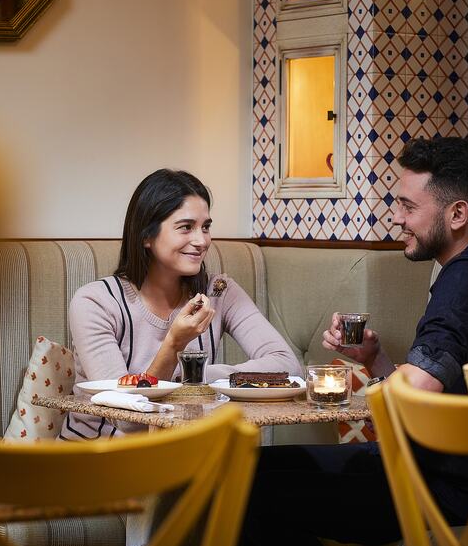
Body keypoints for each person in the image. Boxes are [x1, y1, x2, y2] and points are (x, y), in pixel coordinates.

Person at [235, 137, 468, 546]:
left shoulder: (466, 280)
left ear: (457, 214)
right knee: (251, 473)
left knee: (243, 481)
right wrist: (376, 361)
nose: (396, 217)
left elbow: (414, 392)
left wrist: (383, 382)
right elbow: (435, 383)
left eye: (408, 206)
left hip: (458, 488)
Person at [59, 168, 300, 441]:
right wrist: (174, 345)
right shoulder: (96, 302)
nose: (201, 241)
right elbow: (126, 418)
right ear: (146, 236)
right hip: (97, 463)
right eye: (186, 227)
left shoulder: (219, 292)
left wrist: (198, 378)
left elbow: (288, 367)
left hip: (182, 460)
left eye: (206, 227)